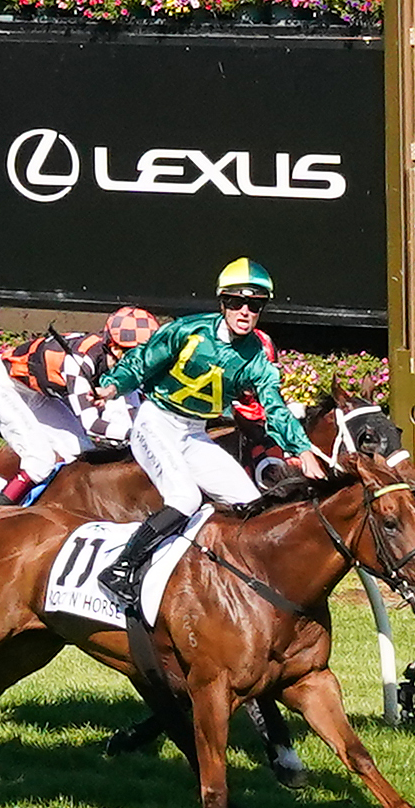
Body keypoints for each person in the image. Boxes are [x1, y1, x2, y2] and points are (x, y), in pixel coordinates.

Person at [91, 261, 313, 632]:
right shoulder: (187, 330)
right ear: (222, 303)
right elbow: (143, 361)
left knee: (250, 503)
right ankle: (121, 567)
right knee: (185, 498)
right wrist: (113, 386)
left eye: (255, 305)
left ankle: (230, 577)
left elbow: (273, 406)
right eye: (236, 302)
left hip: (194, 432)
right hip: (156, 421)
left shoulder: (257, 357)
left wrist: (302, 449)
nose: (245, 311)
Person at [0, 304, 156, 503]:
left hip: (36, 392)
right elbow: (92, 425)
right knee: (40, 461)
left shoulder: (117, 362)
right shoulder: (79, 363)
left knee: (81, 451)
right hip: (2, 385)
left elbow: (133, 410)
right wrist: (137, 435)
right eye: (138, 355)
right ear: (115, 349)